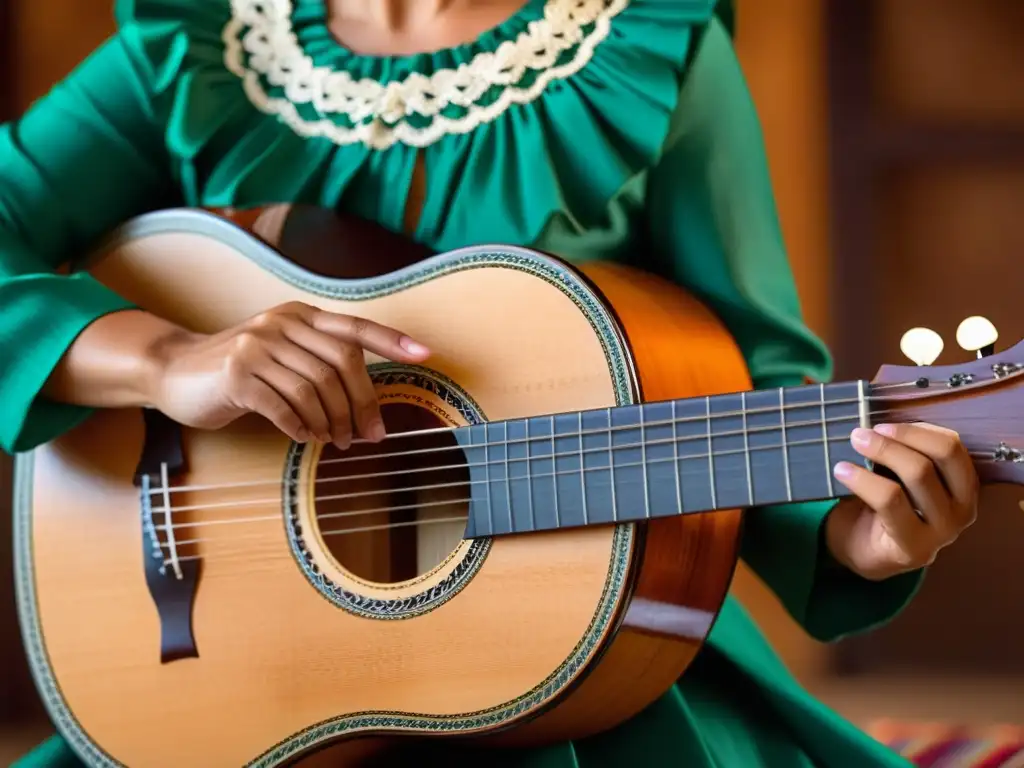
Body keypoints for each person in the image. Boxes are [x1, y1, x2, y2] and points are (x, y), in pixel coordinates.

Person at [1, 0, 979, 766]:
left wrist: (857, 529)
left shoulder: (647, 49)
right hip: (238, 689)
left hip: (584, 672)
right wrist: (169, 362)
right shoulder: (200, 46)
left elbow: (752, 378)